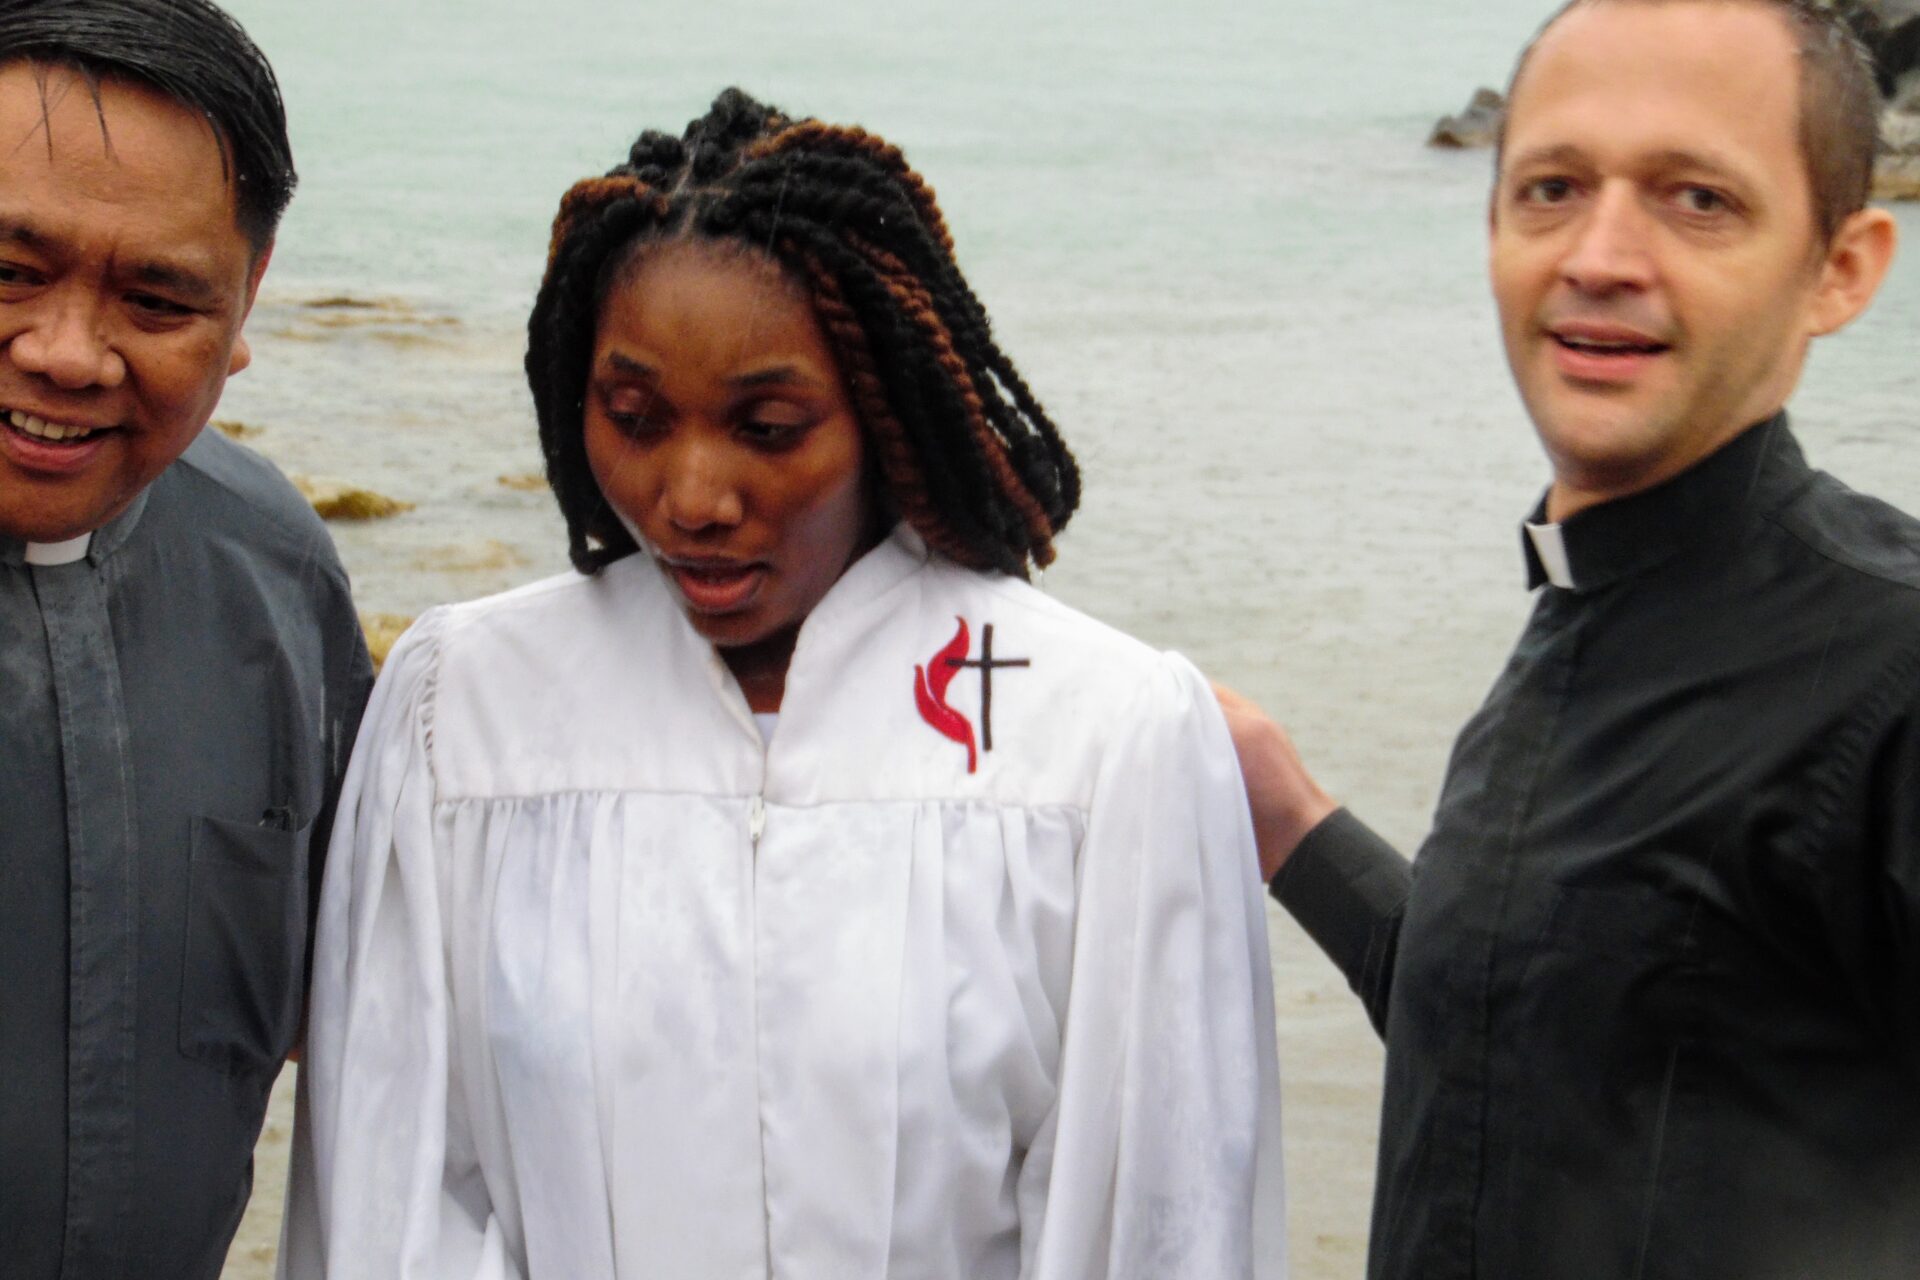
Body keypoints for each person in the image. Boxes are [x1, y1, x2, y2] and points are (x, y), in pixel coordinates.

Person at [282, 89, 1286, 1280]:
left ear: (882, 408)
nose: (693, 495)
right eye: (636, 416)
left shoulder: (1096, 734)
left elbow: (1162, 1214)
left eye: (768, 425)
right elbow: (394, 1193)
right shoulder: (466, 712)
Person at [1222, 0, 1916, 1275]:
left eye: (1696, 198)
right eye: (1552, 187)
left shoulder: (1889, 667)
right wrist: (1289, 814)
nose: (1601, 254)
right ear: (1493, 231)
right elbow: (1537, 1033)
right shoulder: (1587, 601)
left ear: (1842, 268)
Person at [0, 1, 373, 1278]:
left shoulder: (273, 573)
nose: (65, 354)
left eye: (158, 297)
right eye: (10, 270)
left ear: (247, 294)